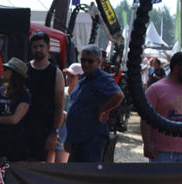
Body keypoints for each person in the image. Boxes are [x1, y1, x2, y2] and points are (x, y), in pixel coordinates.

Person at [141, 52, 182, 163]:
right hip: (161, 152)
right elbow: (146, 119)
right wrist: (147, 144)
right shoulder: (155, 89)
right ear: (176, 68)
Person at [65, 45, 124, 163]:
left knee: (87, 176)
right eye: (83, 60)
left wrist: (103, 109)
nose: (85, 64)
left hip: (91, 140)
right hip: (77, 139)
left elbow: (119, 95)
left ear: (98, 61)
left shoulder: (101, 78)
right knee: (74, 176)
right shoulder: (83, 79)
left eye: (90, 61)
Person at [25, 31, 65, 163]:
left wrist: (54, 133)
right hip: (23, 128)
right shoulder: (24, 70)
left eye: (41, 46)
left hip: (44, 130)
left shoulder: (56, 73)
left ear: (48, 48)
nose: (38, 49)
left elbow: (59, 106)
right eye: (35, 46)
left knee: (40, 171)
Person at [53, 62, 83, 163]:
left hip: (68, 139)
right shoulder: (62, 92)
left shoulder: (82, 97)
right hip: (56, 136)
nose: (68, 78)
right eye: (67, 75)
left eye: (72, 76)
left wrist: (66, 115)